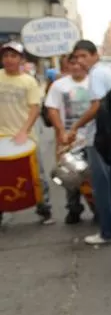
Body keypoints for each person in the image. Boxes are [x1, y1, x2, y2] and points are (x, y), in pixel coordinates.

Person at [69, 40, 111, 245]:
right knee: (110, 187)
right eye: (77, 57)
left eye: (84, 56)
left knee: (102, 188)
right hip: (109, 136)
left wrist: (75, 127)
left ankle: (109, 232)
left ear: (95, 56)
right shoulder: (106, 71)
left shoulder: (97, 74)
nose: (80, 61)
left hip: (101, 138)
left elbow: (96, 107)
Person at [0, 41, 54, 225]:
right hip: (2, 137)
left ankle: (44, 208)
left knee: (36, 174)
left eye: (13, 56)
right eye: (6, 56)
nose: (9, 59)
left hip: (26, 137)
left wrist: (24, 131)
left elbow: (34, 109)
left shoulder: (29, 81)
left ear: (21, 59)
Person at [44, 53, 92, 224]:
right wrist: (62, 131)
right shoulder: (59, 86)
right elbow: (52, 109)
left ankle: (98, 208)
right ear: (67, 65)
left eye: (79, 62)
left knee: (93, 177)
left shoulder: (94, 82)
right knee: (69, 176)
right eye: (72, 63)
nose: (76, 66)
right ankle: (73, 209)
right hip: (70, 141)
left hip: (92, 139)